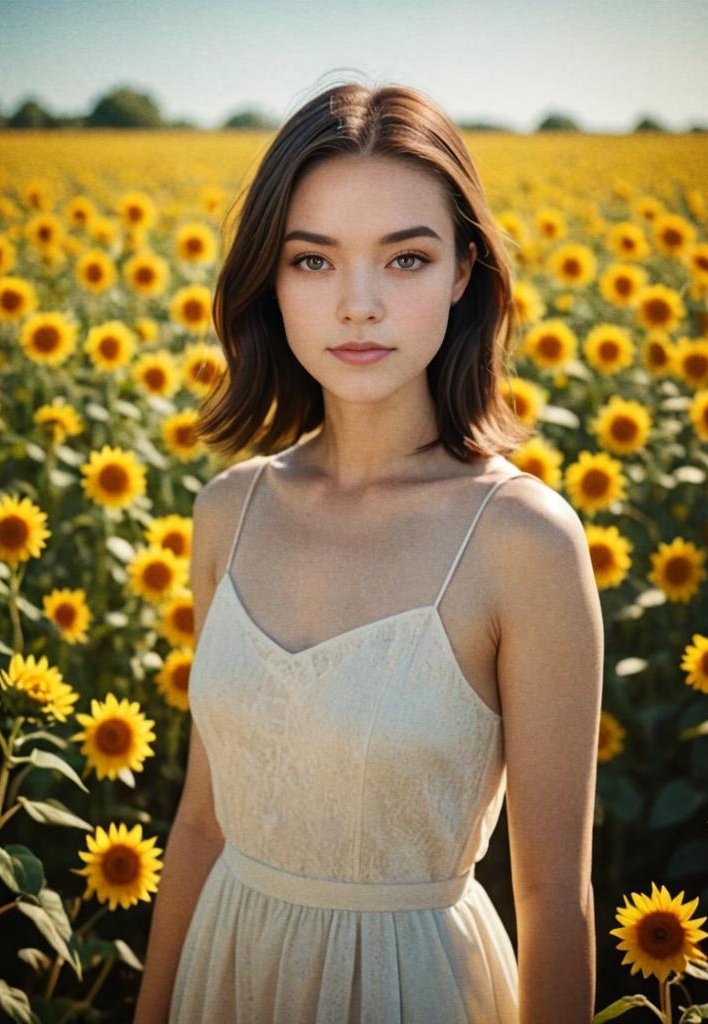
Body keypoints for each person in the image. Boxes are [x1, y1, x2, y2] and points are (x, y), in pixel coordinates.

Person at [133, 77, 604, 1024]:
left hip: (417, 991)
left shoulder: (523, 540)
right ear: (269, 275)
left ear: (465, 271)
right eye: (313, 262)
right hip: (226, 976)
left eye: (405, 259)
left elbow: (555, 899)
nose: (358, 305)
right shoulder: (230, 509)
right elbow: (200, 820)